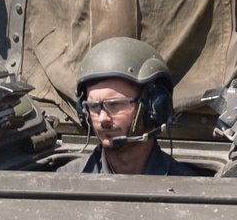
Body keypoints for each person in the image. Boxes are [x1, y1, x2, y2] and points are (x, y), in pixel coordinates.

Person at [73, 38, 204, 176]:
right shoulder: (66, 179)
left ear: (152, 108)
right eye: (93, 106)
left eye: (114, 104)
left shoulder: (186, 184)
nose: (102, 118)